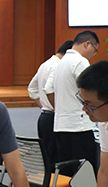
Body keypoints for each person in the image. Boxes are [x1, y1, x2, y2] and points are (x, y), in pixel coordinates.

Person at [53, 30, 101, 170]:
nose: (94, 54)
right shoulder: (80, 61)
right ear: (87, 44)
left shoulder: (61, 62)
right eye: (95, 50)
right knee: (84, 172)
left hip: (61, 125)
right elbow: (91, 90)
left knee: (66, 172)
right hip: (78, 127)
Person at [27, 40, 73, 176]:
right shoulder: (58, 66)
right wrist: (57, 108)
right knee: (56, 159)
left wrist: (43, 106)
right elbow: (49, 89)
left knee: (48, 158)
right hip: (54, 118)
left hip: (44, 117)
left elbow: (32, 89)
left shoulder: (46, 64)